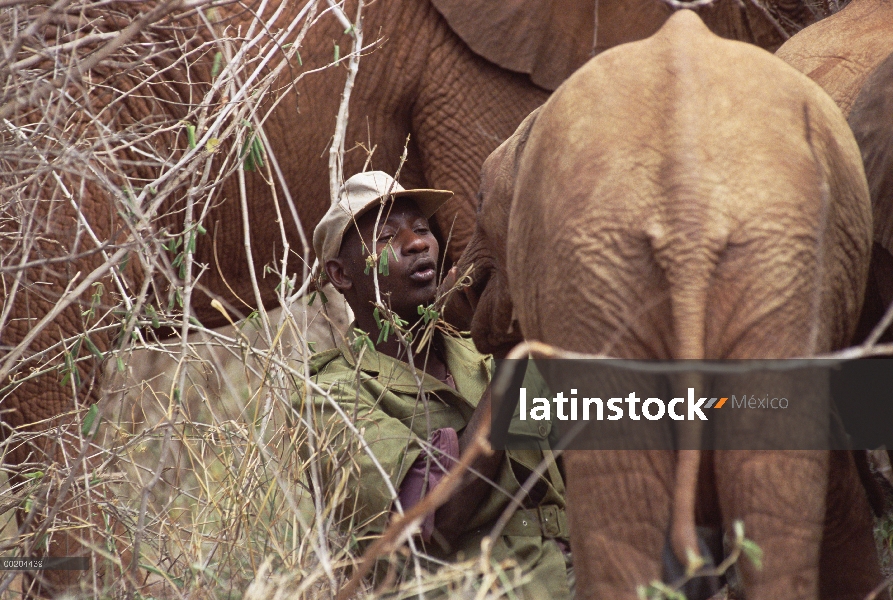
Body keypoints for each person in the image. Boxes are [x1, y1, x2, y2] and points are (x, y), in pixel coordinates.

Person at [297, 171, 571, 598]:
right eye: (388, 236)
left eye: (423, 229)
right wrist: (511, 358)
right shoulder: (332, 397)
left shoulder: (475, 348)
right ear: (341, 273)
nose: (417, 243)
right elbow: (436, 522)